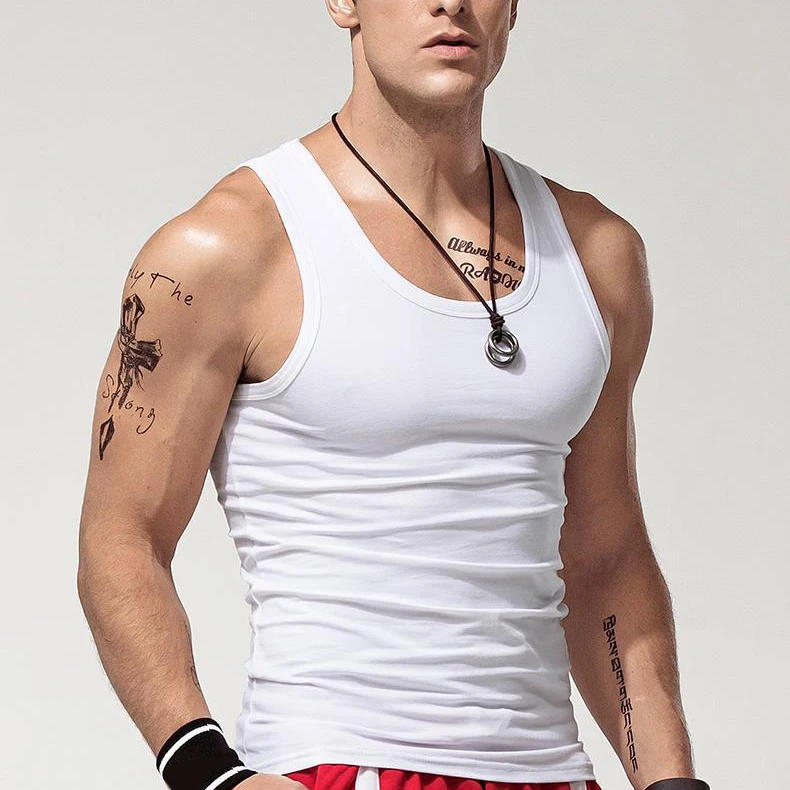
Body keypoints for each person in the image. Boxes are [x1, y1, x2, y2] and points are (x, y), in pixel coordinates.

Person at [76, 3, 709, 790]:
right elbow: (122, 537)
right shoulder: (229, 247)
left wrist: (672, 781)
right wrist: (208, 773)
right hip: (340, 763)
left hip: (553, 771)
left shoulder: (597, 254)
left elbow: (606, 556)